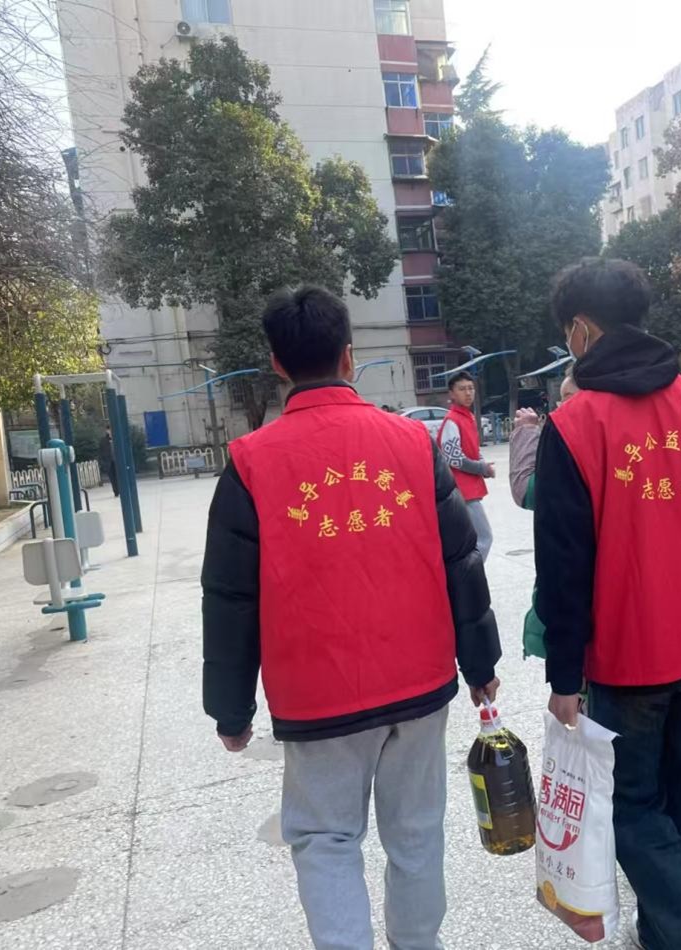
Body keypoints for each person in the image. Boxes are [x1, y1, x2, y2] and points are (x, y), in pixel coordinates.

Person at [201, 286, 501, 950]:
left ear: (277, 364)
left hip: (316, 695)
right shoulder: (413, 443)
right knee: (416, 832)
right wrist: (480, 665)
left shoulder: (249, 464)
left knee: (325, 838)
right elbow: (461, 561)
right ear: (348, 356)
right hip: (419, 682)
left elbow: (229, 599)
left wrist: (230, 710)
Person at [534, 259, 681, 950]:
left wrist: (564, 676)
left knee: (630, 810)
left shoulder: (575, 424)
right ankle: (663, 934)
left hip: (628, 657)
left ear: (581, 329)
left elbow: (564, 566)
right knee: (675, 798)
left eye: (567, 333)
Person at [510, 367, 578, 659]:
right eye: (560, 400)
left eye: (569, 397)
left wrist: (526, 433)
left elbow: (526, 490)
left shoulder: (580, 444)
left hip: (575, 597)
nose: (561, 408)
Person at [437, 370, 495, 561]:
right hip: (462, 490)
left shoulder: (466, 417)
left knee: (471, 539)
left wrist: (483, 465)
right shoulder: (452, 420)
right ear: (452, 394)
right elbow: (453, 458)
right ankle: (472, 574)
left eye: (471, 388)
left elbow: (472, 450)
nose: (468, 393)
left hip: (467, 489)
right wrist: (482, 468)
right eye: (462, 389)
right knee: (484, 538)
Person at [97, 426, 118, 497]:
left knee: (118, 476)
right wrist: (102, 463)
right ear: (107, 431)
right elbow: (100, 452)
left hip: (117, 461)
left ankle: (120, 490)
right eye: (109, 430)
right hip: (108, 462)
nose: (110, 431)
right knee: (112, 478)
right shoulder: (103, 441)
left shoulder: (117, 438)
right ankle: (116, 491)